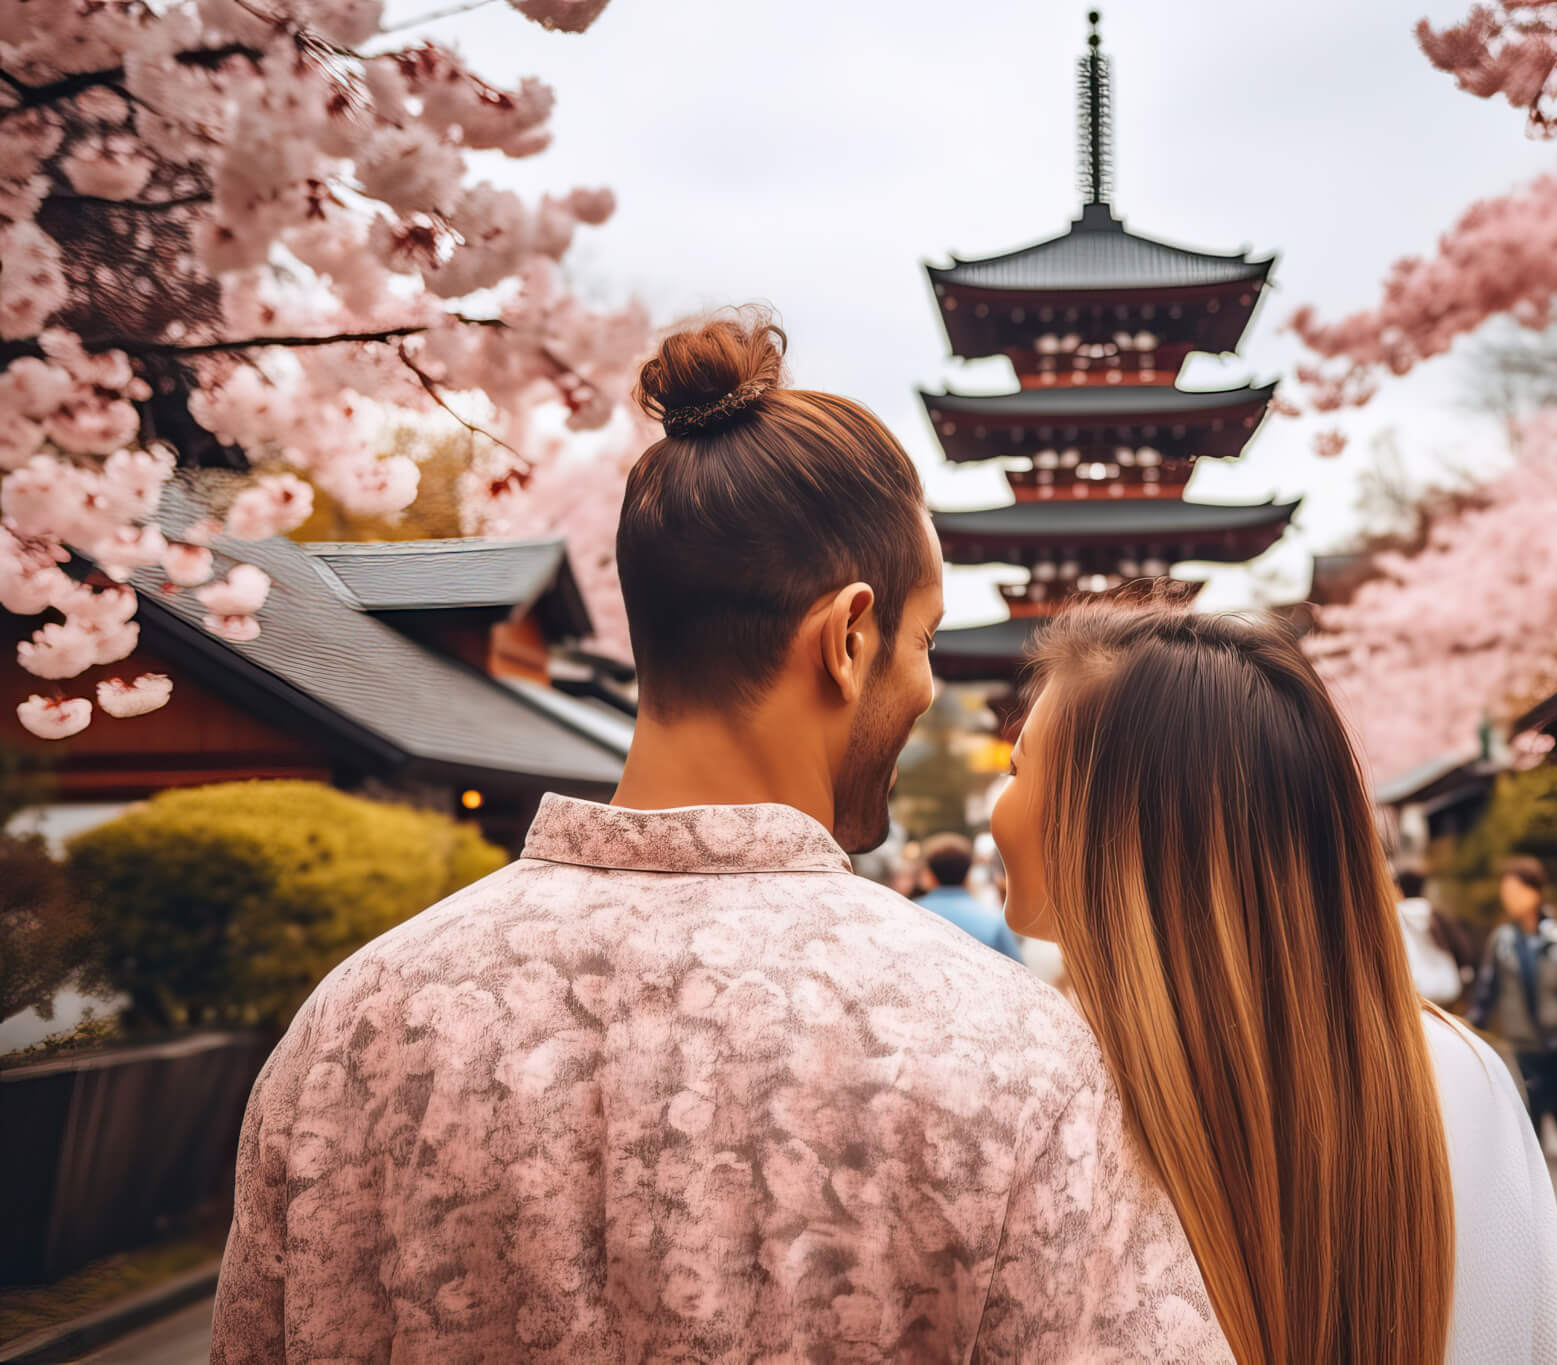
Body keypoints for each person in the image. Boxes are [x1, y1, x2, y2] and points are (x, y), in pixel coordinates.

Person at [211, 312, 1228, 1363]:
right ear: (847, 637)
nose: (928, 686)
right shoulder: (1006, 1056)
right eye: (920, 641)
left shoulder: (354, 1028)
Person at [991, 596, 1557, 1365]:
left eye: (1016, 768)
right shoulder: (1466, 1076)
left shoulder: (1043, 1090)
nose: (1000, 806)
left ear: (1111, 821)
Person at [1469, 856, 1557, 1162]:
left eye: (1514, 890)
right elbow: (1487, 985)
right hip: (1523, 1033)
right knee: (1531, 1092)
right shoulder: (1502, 940)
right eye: (1505, 891)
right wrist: (1472, 1024)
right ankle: (1536, 1151)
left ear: (1534, 891)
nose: (1507, 897)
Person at [913, 831, 1025, 962]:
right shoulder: (993, 920)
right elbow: (1018, 971)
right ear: (968, 875)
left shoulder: (906, 915)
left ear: (929, 876)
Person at [1395, 867, 1474, 1008]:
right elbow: (1461, 946)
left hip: (1414, 989)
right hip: (1447, 985)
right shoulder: (1437, 915)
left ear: (1398, 889)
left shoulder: (1394, 918)